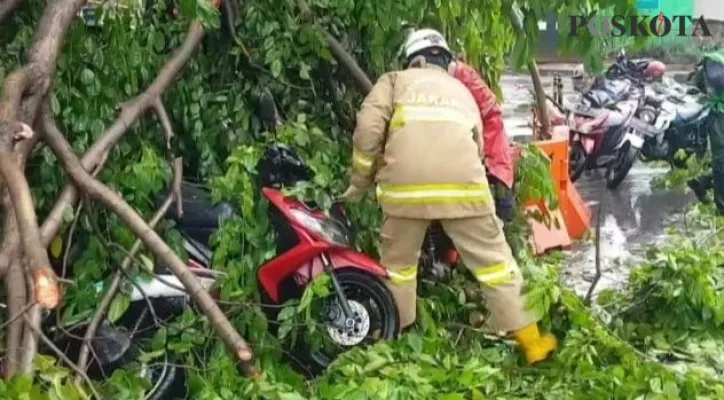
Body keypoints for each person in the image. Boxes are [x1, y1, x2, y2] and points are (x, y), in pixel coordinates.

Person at [342, 29, 558, 365]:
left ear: (414, 59)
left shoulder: (395, 81)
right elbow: (478, 144)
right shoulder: (462, 91)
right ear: (445, 60)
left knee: (399, 268)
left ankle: (395, 344)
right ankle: (532, 344)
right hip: (465, 189)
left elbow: (369, 129)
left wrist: (360, 182)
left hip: (404, 190)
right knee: (497, 265)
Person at [687, 50, 724, 215]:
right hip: (719, 115)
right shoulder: (716, 59)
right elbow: (716, 82)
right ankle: (722, 205)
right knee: (721, 159)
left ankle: (703, 182)